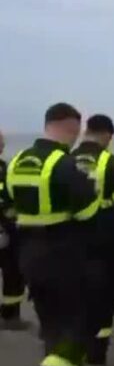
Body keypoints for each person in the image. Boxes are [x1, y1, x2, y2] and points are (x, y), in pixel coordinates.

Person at [5, 103, 99, 366]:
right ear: (71, 127)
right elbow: (88, 213)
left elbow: (5, 204)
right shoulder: (65, 164)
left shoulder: (17, 161)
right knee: (80, 326)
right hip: (63, 254)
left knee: (51, 325)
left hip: (28, 254)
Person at [71, 114, 114, 366]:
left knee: (75, 301)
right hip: (105, 247)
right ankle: (96, 360)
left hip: (68, 245)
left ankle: (69, 355)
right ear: (109, 136)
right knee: (104, 301)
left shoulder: (66, 160)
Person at [0, 128, 29, 331]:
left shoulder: (5, 167)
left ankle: (10, 315)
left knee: (14, 274)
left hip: (9, 228)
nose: (2, 145)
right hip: (4, 228)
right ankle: (10, 317)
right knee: (12, 272)